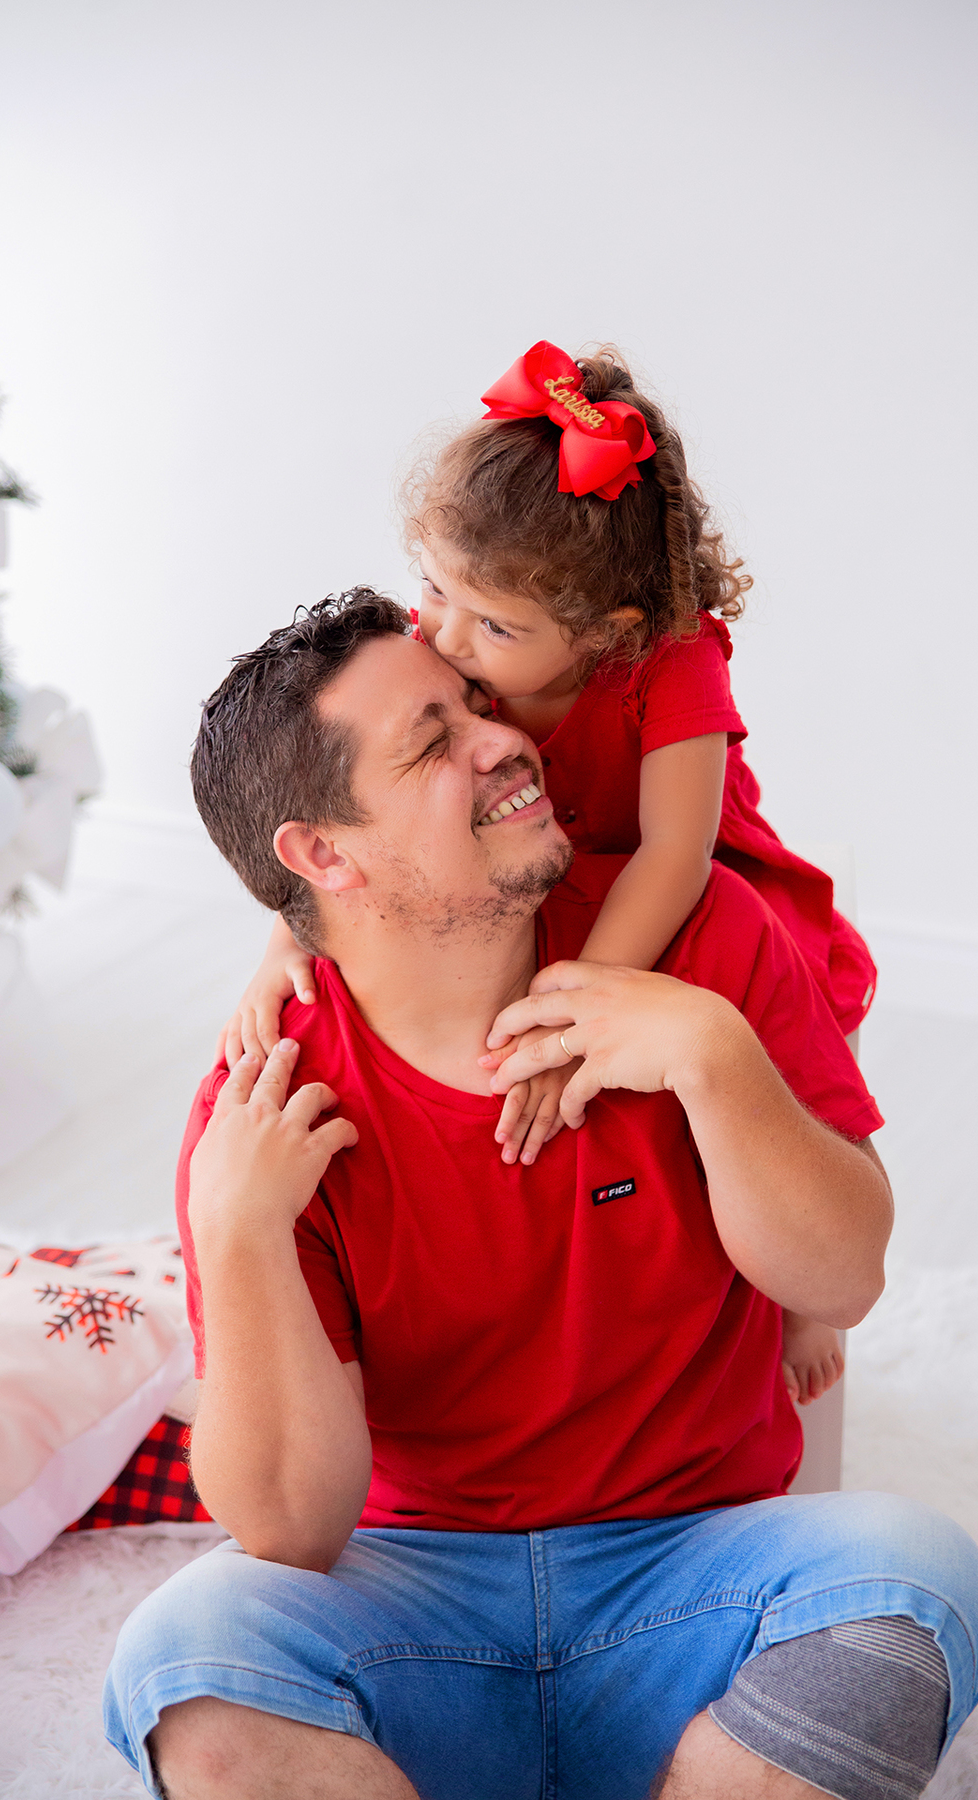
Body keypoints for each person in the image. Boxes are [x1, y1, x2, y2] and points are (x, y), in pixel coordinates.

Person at [103, 592, 978, 1800]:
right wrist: (239, 1228)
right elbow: (289, 1532)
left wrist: (713, 1057)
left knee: (917, 1573)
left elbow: (844, 1277)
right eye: (433, 742)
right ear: (325, 853)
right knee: (182, 1661)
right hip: (419, 1608)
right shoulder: (263, 1104)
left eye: (475, 704)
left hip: (694, 1573)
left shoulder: (703, 944)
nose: (503, 740)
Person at [221, 340, 871, 1410]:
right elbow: (353, 814)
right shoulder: (458, 634)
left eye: (494, 626)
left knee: (777, 1013)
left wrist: (574, 1001)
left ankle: (794, 1289)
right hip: (522, 868)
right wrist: (287, 938)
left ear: (603, 633)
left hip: (668, 870)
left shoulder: (670, 659)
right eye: (435, 590)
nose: (444, 635)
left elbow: (675, 853)